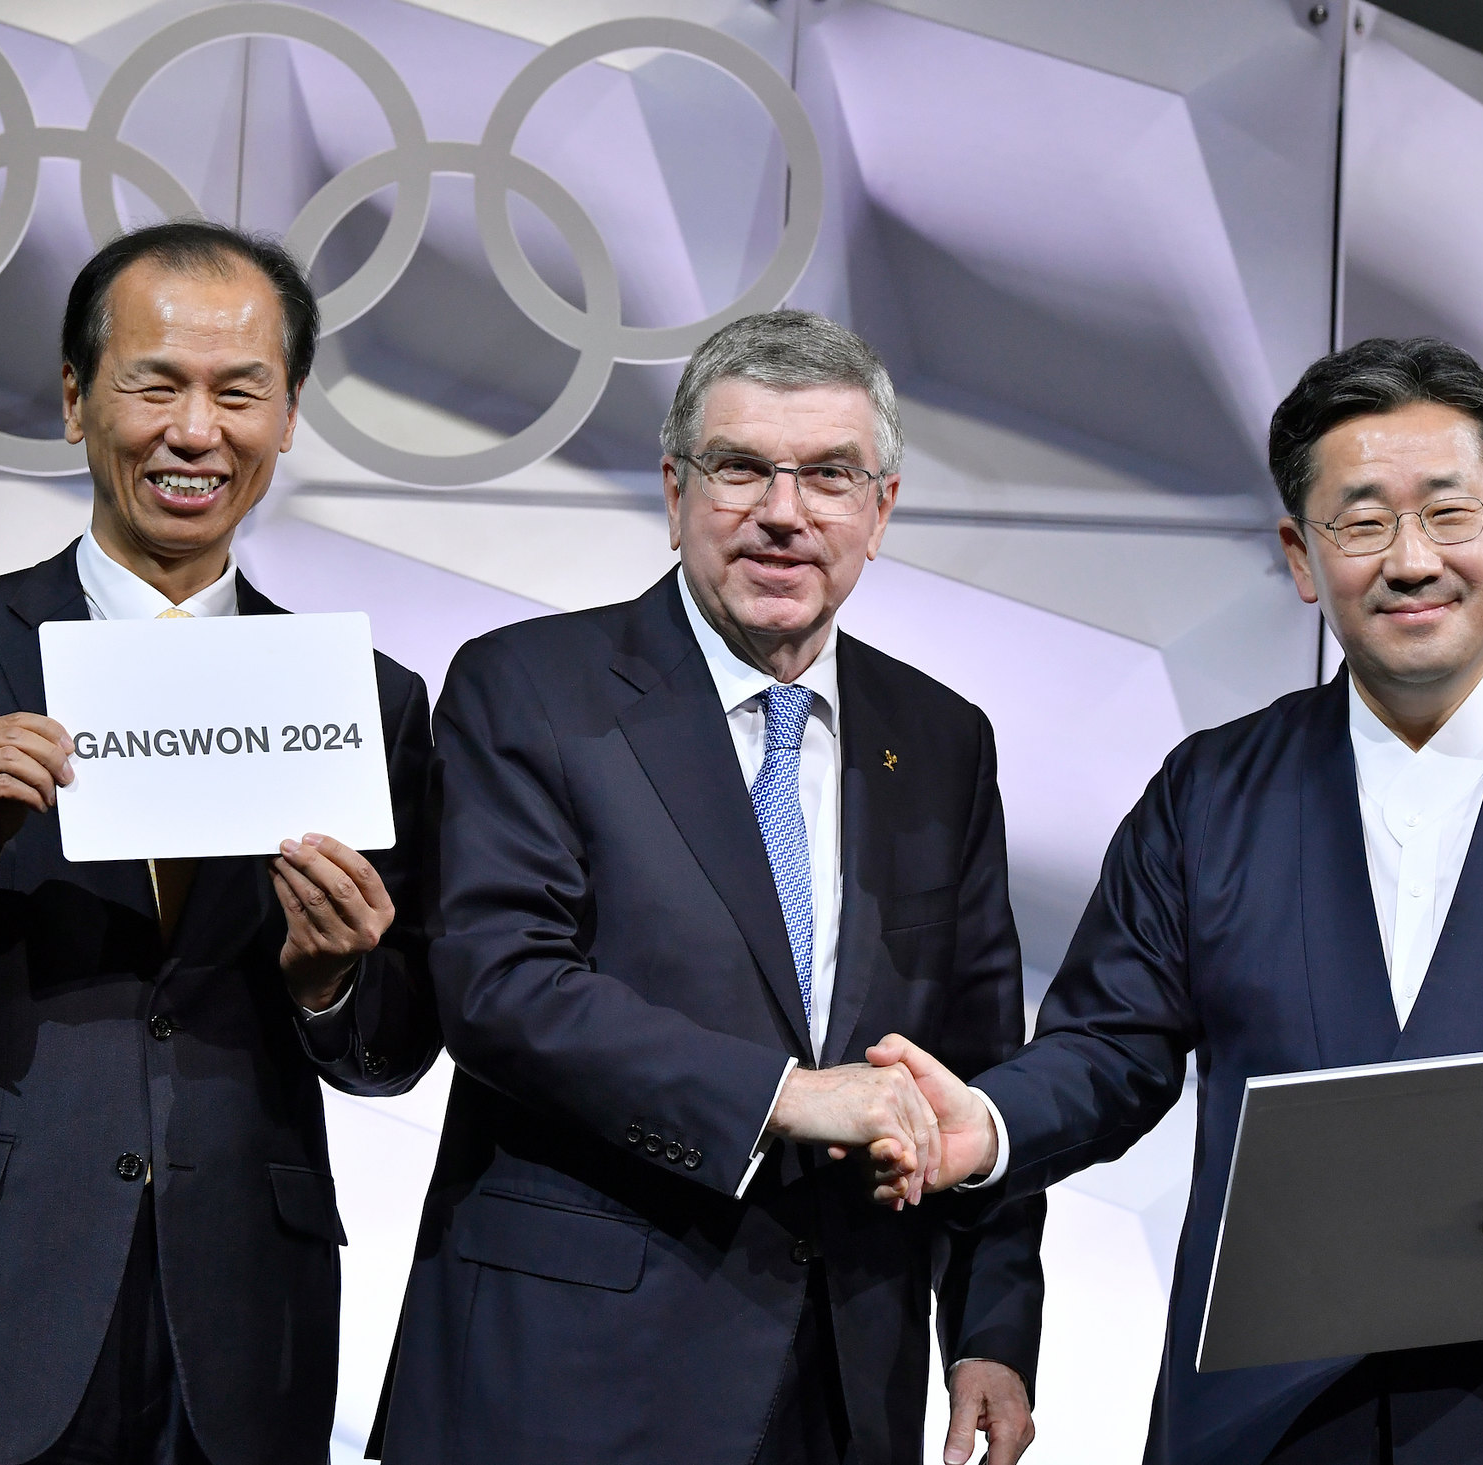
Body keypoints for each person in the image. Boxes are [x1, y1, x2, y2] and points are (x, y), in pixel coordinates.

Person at [867, 337, 1483, 1464]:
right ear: (1298, 555)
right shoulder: (1208, 794)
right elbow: (1105, 1047)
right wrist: (980, 1125)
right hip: (1263, 1423)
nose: (1409, 560)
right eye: (1361, 522)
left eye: (1446, 514)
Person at [0, 220, 439, 1465]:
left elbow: (391, 1054)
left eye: (237, 391)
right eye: (155, 383)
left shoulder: (365, 697)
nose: (194, 431)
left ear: (289, 416)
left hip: (244, 1333)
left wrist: (333, 979)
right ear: (75, 399)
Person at [372, 310, 1044, 1465]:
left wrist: (988, 1330)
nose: (783, 513)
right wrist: (781, 1095)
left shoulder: (941, 737)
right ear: (675, 487)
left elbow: (976, 1062)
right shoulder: (524, 687)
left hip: (843, 1386)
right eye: (741, 468)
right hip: (567, 1378)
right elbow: (498, 988)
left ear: (878, 512)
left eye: (829, 475)